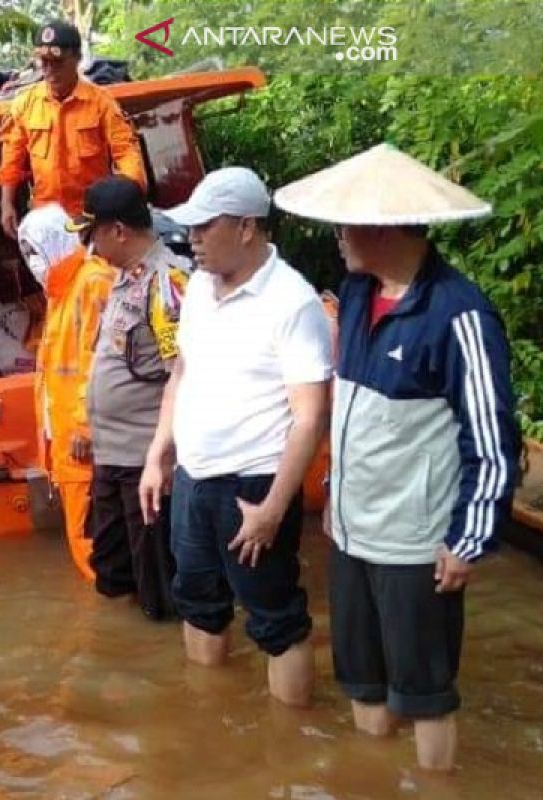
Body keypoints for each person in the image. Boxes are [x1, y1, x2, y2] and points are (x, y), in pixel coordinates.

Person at [274, 143, 519, 770]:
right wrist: (331, 492)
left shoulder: (458, 313)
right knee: (362, 678)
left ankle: (438, 783)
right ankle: (373, 779)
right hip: (353, 530)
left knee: (426, 692)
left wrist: (468, 540)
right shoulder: (357, 296)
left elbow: (491, 440)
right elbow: (351, 410)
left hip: (415, 542)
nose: (336, 237)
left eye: (346, 224)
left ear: (384, 227)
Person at [139, 168, 332, 707]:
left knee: (275, 619)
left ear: (247, 227)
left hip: (254, 482)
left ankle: (288, 750)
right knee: (196, 601)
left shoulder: (292, 302)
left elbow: (310, 417)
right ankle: (210, 721)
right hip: (194, 475)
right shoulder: (198, 288)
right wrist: (159, 454)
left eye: (204, 227)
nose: (192, 239)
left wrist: (273, 507)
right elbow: (182, 373)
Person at [68, 177, 189, 619]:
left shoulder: (167, 283)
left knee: (158, 590)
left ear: (118, 230)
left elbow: (185, 373)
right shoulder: (125, 280)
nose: (89, 245)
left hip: (146, 461)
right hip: (111, 457)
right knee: (112, 576)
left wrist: (164, 456)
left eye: (92, 233)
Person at [21, 203, 114, 581]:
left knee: (96, 551)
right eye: (25, 253)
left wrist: (85, 426)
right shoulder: (59, 292)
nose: (31, 261)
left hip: (84, 443)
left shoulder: (91, 283)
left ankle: (110, 633)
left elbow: (100, 362)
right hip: (66, 445)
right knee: (88, 546)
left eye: (33, 251)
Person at [0, 20, 146, 238]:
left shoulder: (101, 103)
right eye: (44, 62)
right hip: (46, 222)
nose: (49, 70)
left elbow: (126, 153)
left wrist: (126, 200)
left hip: (92, 220)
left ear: (77, 59)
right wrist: (6, 204)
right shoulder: (24, 104)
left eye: (57, 63)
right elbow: (11, 161)